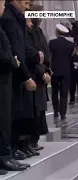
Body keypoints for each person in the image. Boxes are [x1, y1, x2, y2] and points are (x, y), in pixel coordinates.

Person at [1, 0, 38, 163]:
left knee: (15, 113)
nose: (28, 5)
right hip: (13, 73)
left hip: (16, 71)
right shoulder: (9, 19)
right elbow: (13, 49)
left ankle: (12, 150)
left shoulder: (16, 18)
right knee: (10, 115)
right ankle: (9, 151)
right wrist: (25, 75)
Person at [0, 0, 27, 173]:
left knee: (5, 119)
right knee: (3, 120)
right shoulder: (8, 21)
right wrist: (13, 61)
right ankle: (4, 156)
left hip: (5, 78)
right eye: (1, 4)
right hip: (2, 77)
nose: (3, 8)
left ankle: (5, 156)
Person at [25, 9, 51, 152]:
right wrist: (42, 73)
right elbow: (33, 55)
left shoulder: (39, 31)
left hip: (42, 76)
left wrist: (47, 70)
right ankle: (28, 142)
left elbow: (45, 53)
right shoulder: (27, 31)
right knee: (33, 110)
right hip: (34, 75)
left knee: (40, 110)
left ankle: (34, 140)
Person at [49, 24, 75, 120]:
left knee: (55, 92)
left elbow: (49, 56)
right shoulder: (70, 45)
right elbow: (71, 58)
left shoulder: (52, 43)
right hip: (66, 71)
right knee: (64, 93)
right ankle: (63, 113)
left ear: (57, 32)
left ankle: (56, 111)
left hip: (55, 71)